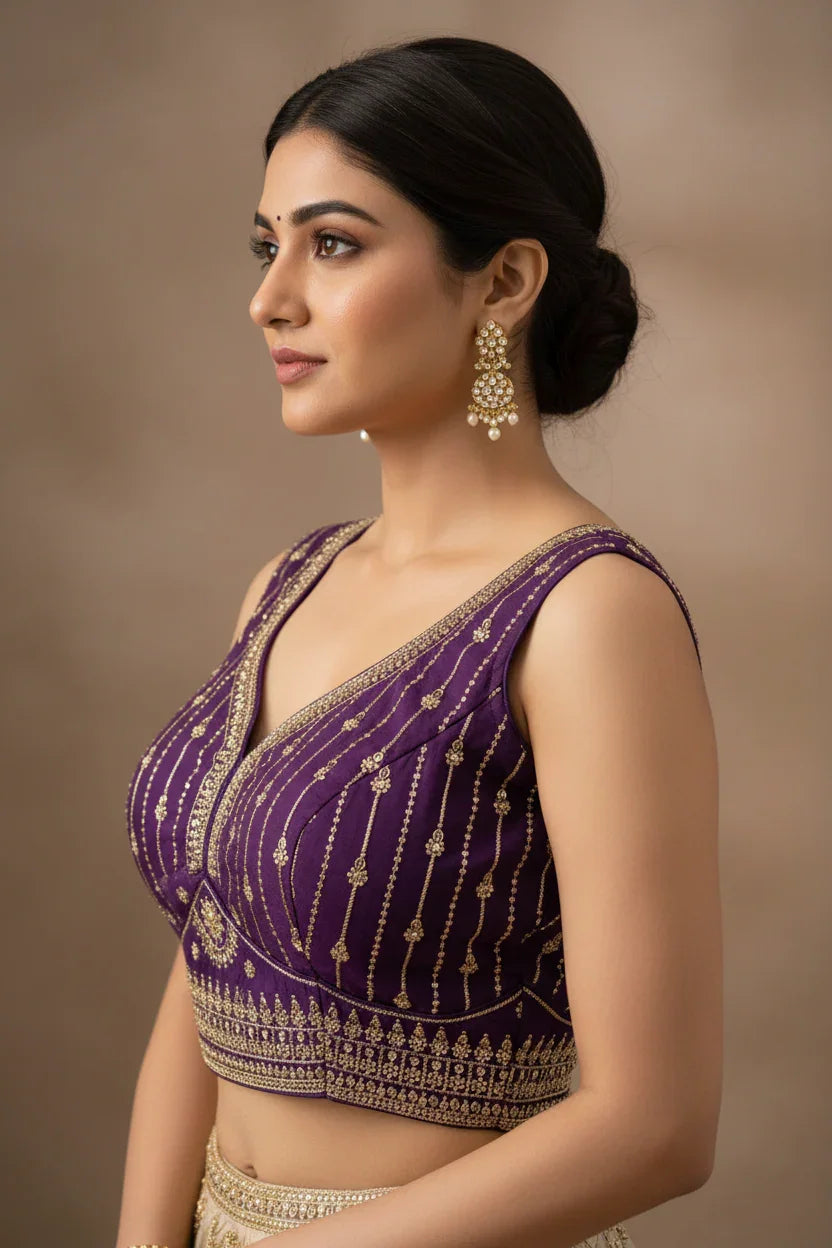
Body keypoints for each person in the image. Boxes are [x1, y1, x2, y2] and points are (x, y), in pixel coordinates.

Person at [116, 34, 721, 1248]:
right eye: (266, 242)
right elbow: (207, 957)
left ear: (502, 284)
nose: (269, 295)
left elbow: (652, 1124)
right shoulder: (289, 584)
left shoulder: (585, 614)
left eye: (332, 243)